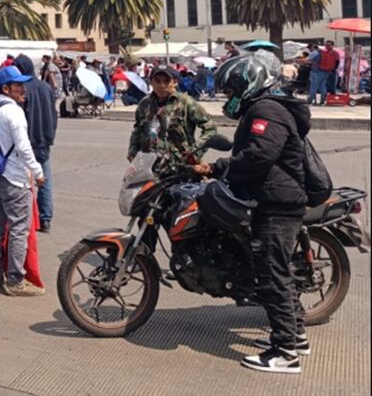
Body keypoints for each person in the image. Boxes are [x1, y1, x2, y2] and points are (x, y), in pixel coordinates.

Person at [196, 53, 310, 374]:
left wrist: (220, 168)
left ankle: (286, 352)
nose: (228, 97)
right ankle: (297, 335)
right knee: (276, 272)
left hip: (278, 204)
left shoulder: (266, 110)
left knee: (272, 276)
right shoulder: (263, 108)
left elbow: (259, 155)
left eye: (231, 91)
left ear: (249, 83)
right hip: (273, 199)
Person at [0, 67, 46, 297]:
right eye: (18, 85)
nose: (23, 89)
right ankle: (15, 280)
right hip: (14, 177)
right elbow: (23, 147)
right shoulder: (13, 111)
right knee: (19, 229)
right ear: (6, 88)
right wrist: (38, 172)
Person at [127, 65, 217, 165]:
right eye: (157, 81)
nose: (162, 85)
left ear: (175, 82)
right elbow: (138, 129)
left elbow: (210, 128)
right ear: (151, 82)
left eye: (166, 81)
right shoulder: (145, 104)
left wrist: (195, 153)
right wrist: (133, 152)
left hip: (180, 165)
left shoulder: (186, 102)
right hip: (150, 165)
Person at [13, 55, 58, 232]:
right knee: (44, 180)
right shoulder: (45, 87)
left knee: (24, 182)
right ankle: (45, 218)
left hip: (28, 139)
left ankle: (28, 217)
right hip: (44, 139)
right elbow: (54, 114)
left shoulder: (22, 88)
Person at [306, 40, 338, 105]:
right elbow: (337, 62)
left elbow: (307, 60)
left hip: (316, 71)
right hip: (327, 71)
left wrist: (297, 60)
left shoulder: (316, 52)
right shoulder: (333, 53)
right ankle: (322, 100)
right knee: (323, 85)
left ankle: (310, 100)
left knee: (314, 86)